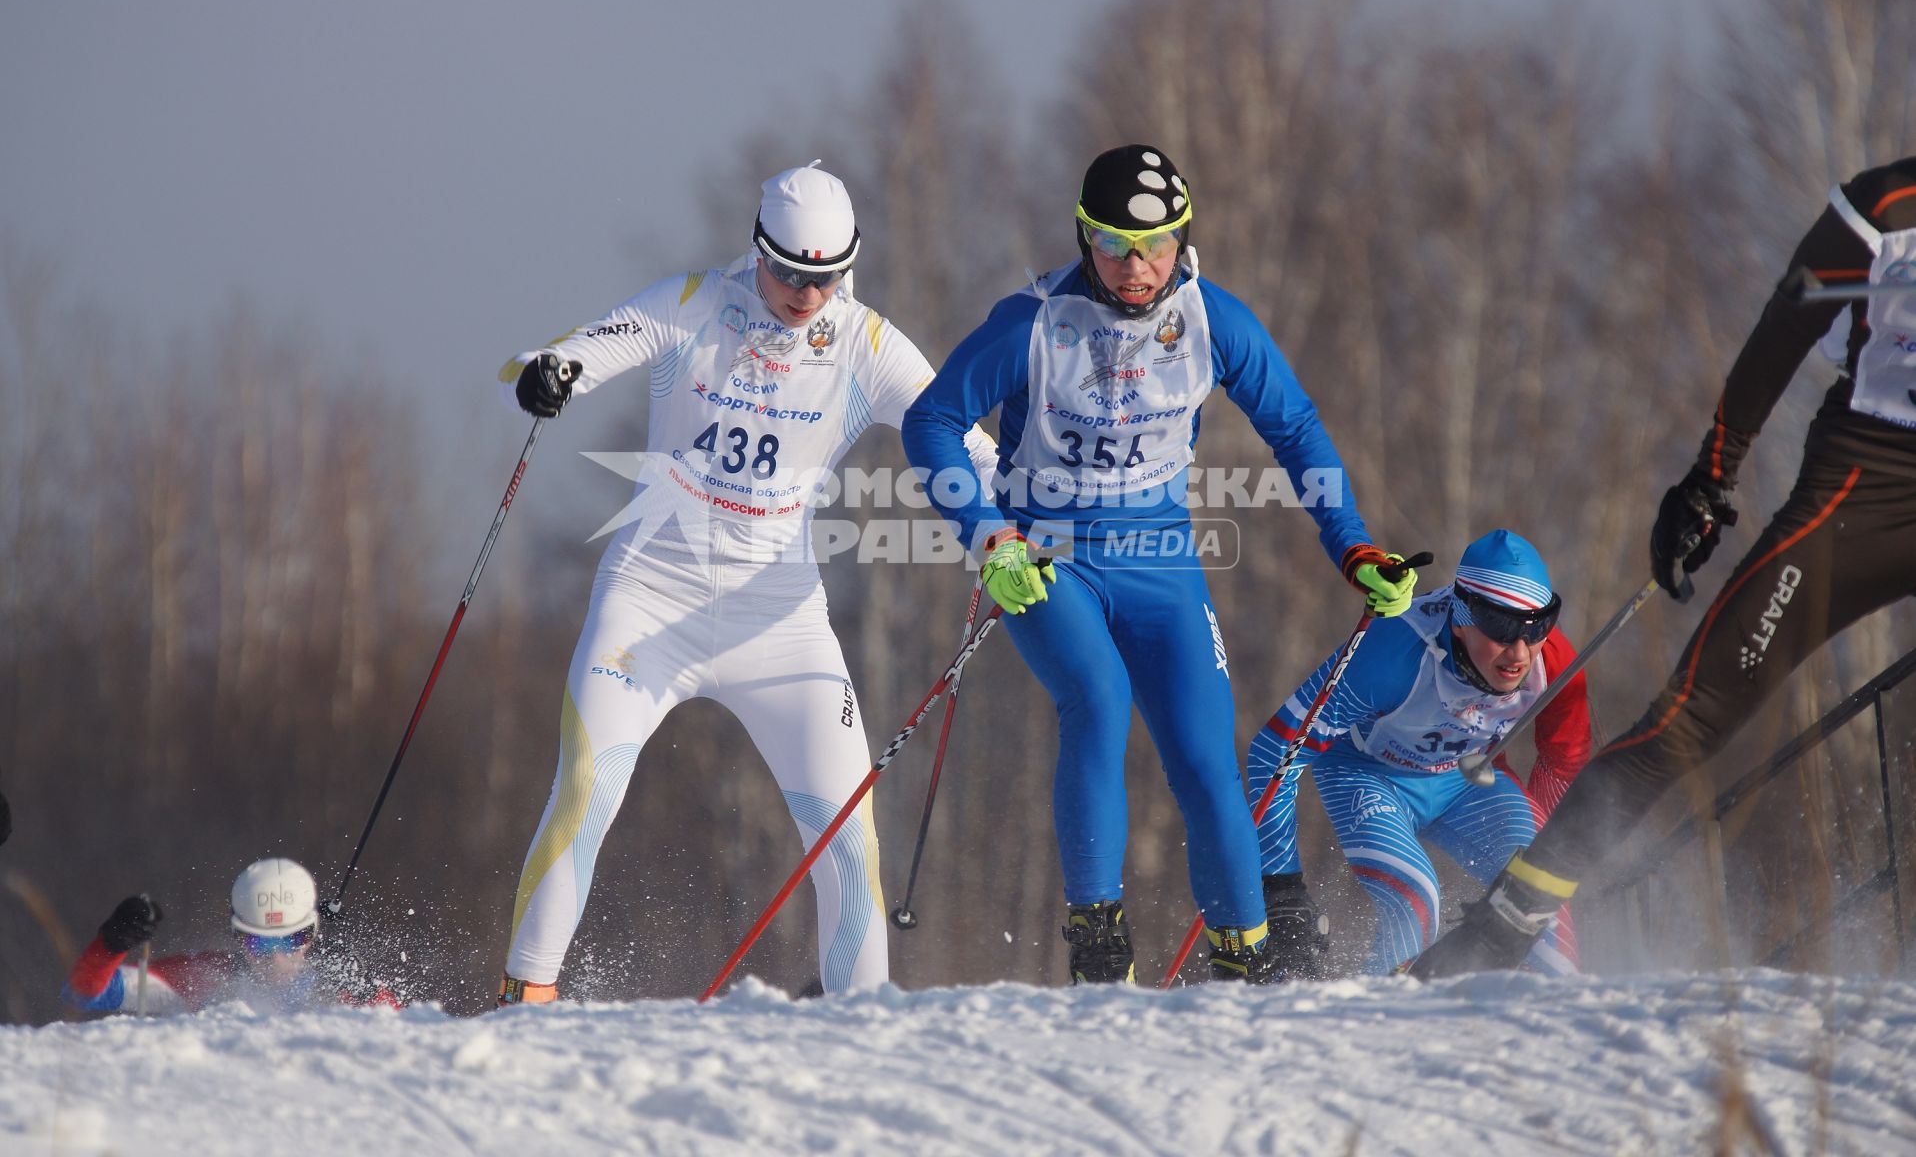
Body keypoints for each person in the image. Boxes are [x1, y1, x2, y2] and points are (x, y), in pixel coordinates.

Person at [902, 144, 1417, 983]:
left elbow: (1296, 429)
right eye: (1113, 245)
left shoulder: (1214, 321)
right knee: (1098, 700)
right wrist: (987, 536)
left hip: (1160, 558)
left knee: (1207, 754)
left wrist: (1352, 543)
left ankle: (1246, 957)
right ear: (1083, 239)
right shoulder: (1032, 324)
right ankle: (1099, 938)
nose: (1137, 267)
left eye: (1157, 245)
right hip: (1046, 555)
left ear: (1183, 239)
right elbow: (930, 422)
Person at [496, 163, 997, 1004]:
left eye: (828, 277)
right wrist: (547, 374)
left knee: (846, 833)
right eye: (791, 273)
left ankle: (860, 1025)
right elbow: (576, 352)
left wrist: (1023, 506)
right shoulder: (692, 304)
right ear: (755, 250)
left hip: (779, 621)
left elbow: (959, 437)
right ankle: (526, 999)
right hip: (650, 603)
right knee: (589, 787)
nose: (807, 294)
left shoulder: (865, 344)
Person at [1409, 157, 1916, 979]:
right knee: (1684, 724)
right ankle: (1501, 933)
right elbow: (1785, 328)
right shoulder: (1890, 205)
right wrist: (1712, 476)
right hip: (1866, 483)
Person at [1243, 530, 1591, 978]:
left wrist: (1573, 862)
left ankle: (1547, 1033)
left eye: (1538, 627)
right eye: (1502, 630)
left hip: (1468, 782)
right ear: (1461, 617)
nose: (1520, 653)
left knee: (1541, 892)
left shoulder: (1555, 663)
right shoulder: (1392, 654)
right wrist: (1281, 886)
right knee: (1416, 896)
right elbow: (1274, 752)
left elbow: (1563, 766)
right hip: (1369, 775)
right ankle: (1374, 1028)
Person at [61, 858, 393, 1015]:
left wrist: (361, 986)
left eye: (292, 940)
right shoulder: (204, 979)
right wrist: (111, 944)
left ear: (313, 934)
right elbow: (82, 992)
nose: (276, 958)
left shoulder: (340, 986)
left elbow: (404, 1037)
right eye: (260, 942)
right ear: (237, 937)